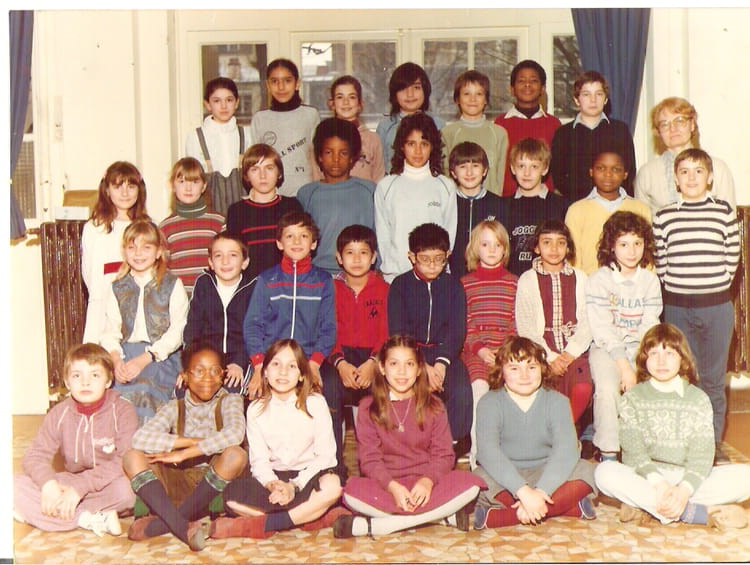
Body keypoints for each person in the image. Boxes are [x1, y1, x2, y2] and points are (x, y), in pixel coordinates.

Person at [595, 323, 750, 529]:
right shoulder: (633, 398)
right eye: (654, 354)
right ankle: (695, 513)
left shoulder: (698, 399)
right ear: (644, 359)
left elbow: (702, 456)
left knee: (746, 477)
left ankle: (648, 507)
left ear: (682, 359)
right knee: (604, 472)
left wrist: (684, 490)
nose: (661, 361)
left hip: (689, 479)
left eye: (669, 353)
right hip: (649, 477)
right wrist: (660, 485)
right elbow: (634, 453)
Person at [333, 335, 485, 538]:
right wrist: (393, 487)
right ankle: (441, 518)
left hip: (427, 486)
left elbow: (444, 455)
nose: (402, 372)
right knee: (351, 491)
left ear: (419, 368)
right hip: (386, 486)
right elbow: (369, 460)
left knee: (471, 485)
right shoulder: (367, 407)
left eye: (409, 364)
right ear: (382, 368)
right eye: (394, 364)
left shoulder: (435, 405)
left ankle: (377, 526)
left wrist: (427, 482)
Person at [652, 148, 740, 465]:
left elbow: (732, 258)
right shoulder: (664, 216)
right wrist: (680, 292)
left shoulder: (724, 212)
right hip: (677, 307)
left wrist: (712, 288)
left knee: (713, 380)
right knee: (682, 377)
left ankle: (711, 444)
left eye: (698, 171)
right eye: (684, 172)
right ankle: (682, 443)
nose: (691, 178)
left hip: (716, 307)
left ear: (710, 177)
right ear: (675, 179)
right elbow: (661, 263)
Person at [210, 339, 345, 539]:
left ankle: (273, 523)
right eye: (276, 364)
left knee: (333, 486)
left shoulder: (316, 403)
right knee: (231, 496)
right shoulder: (255, 409)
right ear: (265, 371)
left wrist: (294, 486)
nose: (283, 372)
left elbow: (326, 457)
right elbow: (259, 462)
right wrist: (273, 484)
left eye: (292, 366)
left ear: (301, 374)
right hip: (274, 480)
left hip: (308, 477)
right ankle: (309, 517)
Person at [123, 343, 248, 551]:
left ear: (223, 376)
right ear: (185, 376)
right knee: (132, 456)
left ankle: (165, 524)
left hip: (211, 485)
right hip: (178, 483)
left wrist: (187, 453)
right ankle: (183, 527)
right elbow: (140, 439)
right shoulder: (175, 406)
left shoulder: (230, 400)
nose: (207, 378)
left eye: (214, 371)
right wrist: (187, 443)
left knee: (236, 454)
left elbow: (235, 433)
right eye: (199, 371)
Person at [473, 336, 598, 529]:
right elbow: (489, 452)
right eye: (514, 368)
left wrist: (541, 492)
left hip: (547, 471)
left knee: (588, 471)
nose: (524, 376)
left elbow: (566, 451)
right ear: (501, 371)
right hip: (506, 475)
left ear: (542, 368)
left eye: (531, 367)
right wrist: (522, 491)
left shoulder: (557, 401)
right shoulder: (489, 402)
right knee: (477, 480)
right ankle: (566, 508)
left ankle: (499, 518)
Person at [14, 343, 137, 536]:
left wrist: (80, 488)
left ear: (108, 381)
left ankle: (41, 513)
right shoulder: (59, 413)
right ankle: (87, 519)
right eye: (77, 376)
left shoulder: (123, 410)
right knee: (11, 483)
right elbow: (35, 455)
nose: (85, 383)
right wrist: (48, 485)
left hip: (107, 483)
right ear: (67, 382)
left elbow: (123, 460)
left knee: (127, 492)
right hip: (69, 481)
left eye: (94, 375)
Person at [388, 223, 472, 457]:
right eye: (425, 259)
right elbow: (398, 331)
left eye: (439, 259)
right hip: (410, 354)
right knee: (410, 389)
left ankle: (451, 446)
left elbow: (457, 330)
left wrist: (441, 364)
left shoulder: (454, 285)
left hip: (446, 353)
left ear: (448, 256)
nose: (433, 265)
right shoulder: (400, 285)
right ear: (411, 257)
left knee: (461, 391)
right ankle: (413, 448)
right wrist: (421, 365)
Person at [585, 211, 662, 462]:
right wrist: (625, 367)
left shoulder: (650, 281)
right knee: (608, 389)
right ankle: (608, 452)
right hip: (607, 350)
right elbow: (602, 329)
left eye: (637, 243)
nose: (632, 251)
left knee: (650, 388)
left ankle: (644, 452)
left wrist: (637, 362)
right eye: (624, 244)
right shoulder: (599, 280)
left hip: (641, 348)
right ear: (611, 246)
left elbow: (650, 325)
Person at [99, 220, 188, 425]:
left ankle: (146, 441)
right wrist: (116, 361)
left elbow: (178, 330)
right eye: (132, 247)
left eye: (146, 247)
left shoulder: (172, 284)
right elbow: (111, 330)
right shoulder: (117, 287)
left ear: (158, 252)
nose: (138, 253)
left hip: (161, 356)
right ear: (124, 251)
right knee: (113, 388)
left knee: (145, 387)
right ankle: (119, 441)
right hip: (125, 353)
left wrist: (146, 358)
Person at [243, 211, 336, 400]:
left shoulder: (323, 281)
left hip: (308, 358)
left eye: (303, 236)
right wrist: (259, 364)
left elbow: (328, 329)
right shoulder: (267, 279)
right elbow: (252, 325)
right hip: (271, 359)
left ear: (313, 243)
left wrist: (315, 363)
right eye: (290, 236)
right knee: (256, 395)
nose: (296, 241)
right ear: (279, 243)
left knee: (330, 387)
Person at [326, 225, 390, 482]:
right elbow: (326, 330)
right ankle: (333, 467)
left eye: (363, 252)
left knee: (382, 393)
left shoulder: (384, 289)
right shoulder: (330, 289)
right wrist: (340, 364)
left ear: (373, 257)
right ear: (339, 258)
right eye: (349, 253)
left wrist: (373, 363)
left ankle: (375, 470)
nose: (356, 259)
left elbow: (387, 332)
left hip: (372, 359)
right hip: (339, 358)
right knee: (327, 388)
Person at [515, 219, 592, 426]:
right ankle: (549, 435)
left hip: (574, 349)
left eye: (561, 243)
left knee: (582, 387)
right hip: (542, 350)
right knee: (547, 397)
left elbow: (588, 321)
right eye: (547, 242)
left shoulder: (581, 278)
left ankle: (566, 432)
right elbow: (526, 327)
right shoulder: (527, 279)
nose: (554, 249)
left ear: (568, 248)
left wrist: (570, 354)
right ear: (536, 247)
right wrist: (550, 357)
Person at [374, 112, 457, 282]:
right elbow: (383, 236)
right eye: (411, 144)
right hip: (395, 276)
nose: (418, 151)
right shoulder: (386, 186)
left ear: (432, 147)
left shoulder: (445, 186)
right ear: (402, 146)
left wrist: (437, 266)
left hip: (435, 275)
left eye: (424, 144)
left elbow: (449, 234)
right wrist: (390, 271)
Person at [460, 220, 517, 467]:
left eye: (497, 245)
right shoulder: (465, 284)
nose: (492, 250)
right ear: (475, 248)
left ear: (505, 249)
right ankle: (480, 454)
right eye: (485, 244)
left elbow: (516, 320)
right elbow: (465, 323)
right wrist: (481, 350)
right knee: (480, 390)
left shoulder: (514, 282)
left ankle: (510, 452)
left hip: (506, 350)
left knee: (512, 391)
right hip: (476, 351)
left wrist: (505, 349)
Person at [81, 161, 150, 344]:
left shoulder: (147, 227)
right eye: (118, 187)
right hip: (103, 301)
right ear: (107, 190)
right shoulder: (95, 228)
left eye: (131, 187)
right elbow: (89, 273)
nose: (125, 193)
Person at [297, 117, 376, 275]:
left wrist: (378, 268)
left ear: (353, 157)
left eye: (343, 153)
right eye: (328, 152)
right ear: (319, 156)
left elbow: (379, 233)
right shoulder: (307, 193)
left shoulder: (369, 190)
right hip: (317, 273)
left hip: (359, 273)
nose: (336, 159)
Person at [634, 97, 736, 215]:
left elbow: (729, 217)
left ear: (692, 125)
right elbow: (641, 222)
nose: (673, 128)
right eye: (664, 124)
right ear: (658, 132)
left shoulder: (718, 168)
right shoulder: (647, 173)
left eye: (680, 120)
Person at [182, 233, 256, 395]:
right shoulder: (203, 284)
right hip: (206, 359)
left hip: (239, 359)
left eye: (233, 255)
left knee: (230, 391)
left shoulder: (254, 287)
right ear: (210, 263)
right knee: (184, 391)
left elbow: (255, 333)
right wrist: (189, 364)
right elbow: (193, 328)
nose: (225, 261)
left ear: (245, 262)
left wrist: (239, 362)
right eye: (218, 255)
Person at [550, 70, 636, 201]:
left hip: (614, 203)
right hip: (576, 204)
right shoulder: (563, 134)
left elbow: (629, 171)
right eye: (586, 94)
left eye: (599, 94)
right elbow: (558, 177)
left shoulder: (620, 130)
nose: (593, 100)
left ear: (605, 99)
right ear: (577, 100)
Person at [225, 143, 304, 280]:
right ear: (246, 176)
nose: (263, 175)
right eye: (255, 169)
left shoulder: (292, 206)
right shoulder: (236, 211)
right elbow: (235, 255)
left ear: (279, 173)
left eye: (269, 168)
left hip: (287, 284)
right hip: (251, 286)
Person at [565, 150, 651, 275]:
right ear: (591, 172)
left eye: (616, 169)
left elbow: (649, 254)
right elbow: (572, 257)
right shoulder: (577, 210)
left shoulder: (640, 209)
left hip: (633, 284)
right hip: (590, 282)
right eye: (601, 168)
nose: (608, 174)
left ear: (625, 174)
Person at [250, 59, 320, 197]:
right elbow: (254, 163)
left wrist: (317, 189)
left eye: (287, 81)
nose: (281, 87)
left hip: (303, 192)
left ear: (297, 83)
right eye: (274, 81)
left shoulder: (310, 115)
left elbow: (315, 157)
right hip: (271, 194)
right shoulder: (260, 118)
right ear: (268, 85)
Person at [158, 157, 225, 298]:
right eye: (182, 182)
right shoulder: (165, 227)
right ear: (173, 186)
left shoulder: (219, 222)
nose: (188, 188)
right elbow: (163, 270)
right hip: (180, 300)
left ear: (204, 186)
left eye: (195, 182)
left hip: (213, 298)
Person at [185, 76, 251, 215]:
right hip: (209, 208)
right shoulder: (196, 137)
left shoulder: (246, 134)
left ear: (237, 103)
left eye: (229, 100)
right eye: (216, 101)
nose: (224, 106)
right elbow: (193, 176)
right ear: (207, 105)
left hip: (242, 208)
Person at [503, 137, 569, 276]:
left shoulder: (561, 205)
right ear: (513, 168)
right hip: (512, 280)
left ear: (545, 169)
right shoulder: (502, 206)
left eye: (534, 166)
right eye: (521, 166)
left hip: (549, 278)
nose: (527, 173)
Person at [495, 59, 561, 196]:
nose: (527, 84)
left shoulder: (554, 124)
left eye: (533, 80)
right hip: (508, 199)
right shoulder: (500, 124)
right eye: (521, 81)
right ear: (512, 89)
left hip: (544, 199)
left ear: (542, 89)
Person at [440, 70, 509, 197]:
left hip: (490, 204)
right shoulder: (447, 133)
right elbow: (445, 174)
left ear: (486, 99)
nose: (473, 99)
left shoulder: (499, 134)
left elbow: (501, 176)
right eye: (467, 94)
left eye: (479, 94)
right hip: (457, 203)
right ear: (457, 99)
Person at [447, 141, 507, 280]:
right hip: (453, 278)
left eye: (475, 166)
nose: (469, 172)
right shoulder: (447, 203)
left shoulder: (500, 204)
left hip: (488, 278)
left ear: (484, 170)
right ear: (453, 173)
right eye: (463, 167)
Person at [376, 62, 446, 171]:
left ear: (425, 90)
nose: (410, 94)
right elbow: (379, 167)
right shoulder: (385, 127)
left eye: (416, 88)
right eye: (403, 89)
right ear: (394, 93)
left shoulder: (438, 125)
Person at [326, 75, 385, 183]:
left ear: (360, 104)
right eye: (340, 97)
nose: (346, 102)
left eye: (352, 97)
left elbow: (379, 179)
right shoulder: (323, 137)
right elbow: (317, 179)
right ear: (332, 103)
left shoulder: (373, 140)